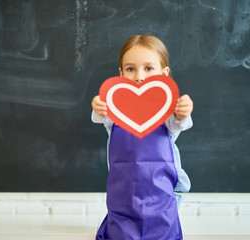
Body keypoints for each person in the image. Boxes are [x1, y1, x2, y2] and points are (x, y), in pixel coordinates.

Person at [91, 35, 193, 240]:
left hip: (159, 190)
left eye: (148, 68)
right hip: (124, 191)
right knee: (122, 221)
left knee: (161, 224)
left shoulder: (166, 114)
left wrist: (183, 111)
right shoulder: (116, 112)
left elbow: (180, 123)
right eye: (130, 69)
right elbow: (100, 117)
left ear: (164, 74)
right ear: (120, 74)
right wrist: (98, 106)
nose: (139, 76)